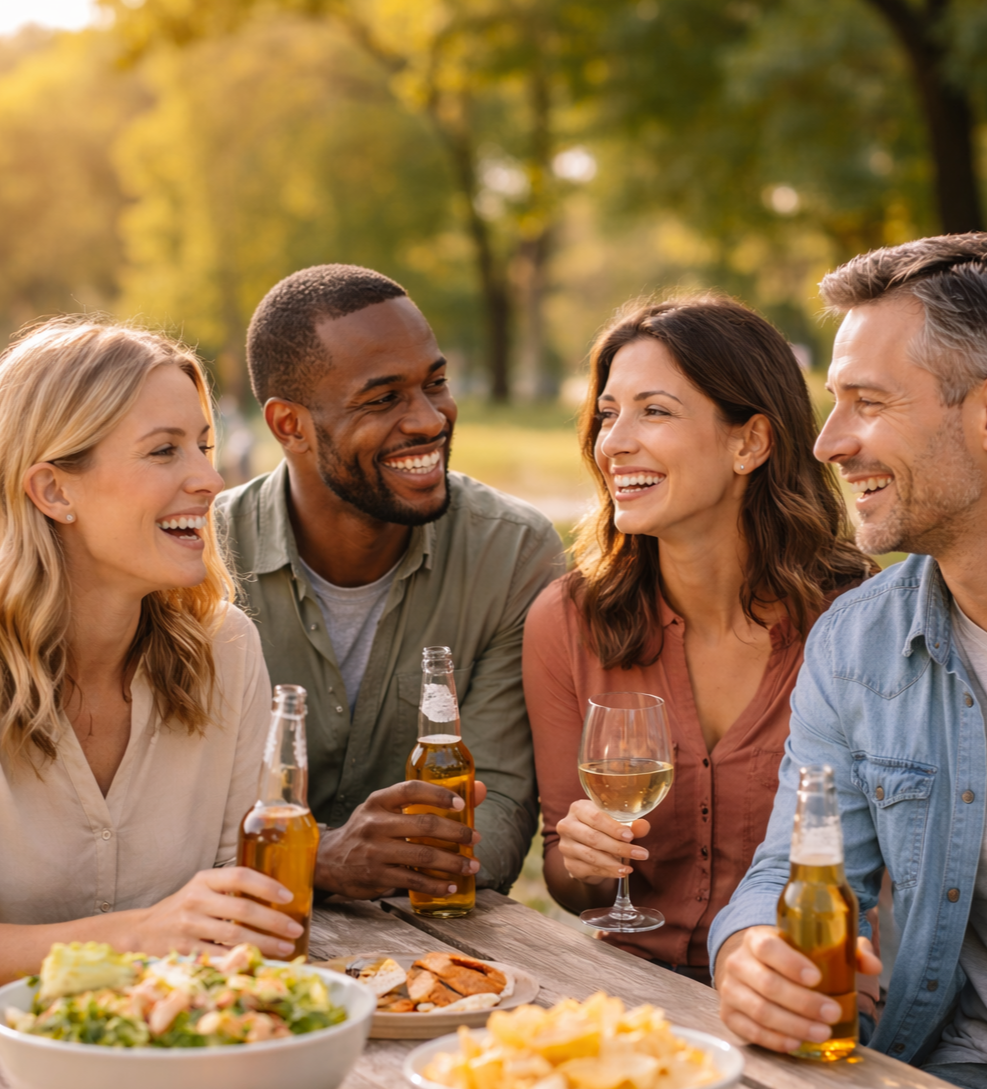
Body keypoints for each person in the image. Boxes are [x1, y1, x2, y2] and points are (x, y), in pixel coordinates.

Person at [710, 233, 987, 1088]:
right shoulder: (858, 643)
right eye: (832, 401)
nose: (827, 443)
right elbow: (791, 866)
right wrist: (751, 954)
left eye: (868, 403)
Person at [523, 295, 874, 984]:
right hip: (635, 994)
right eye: (607, 412)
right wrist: (587, 860)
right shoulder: (568, 621)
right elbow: (566, 876)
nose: (615, 441)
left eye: (654, 410)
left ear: (750, 442)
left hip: (801, 995)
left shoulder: (857, 620)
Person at [217, 264, 564, 903]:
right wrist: (320, 860)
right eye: (383, 399)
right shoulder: (202, 561)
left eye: (435, 384)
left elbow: (497, 813)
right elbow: (175, 831)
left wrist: (291, 853)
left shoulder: (512, 553)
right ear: (289, 425)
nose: (429, 420)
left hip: (437, 950)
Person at [0, 318, 301, 985]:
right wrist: (137, 934)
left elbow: (238, 898)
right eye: (164, 451)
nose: (209, 479)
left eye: (203, 444)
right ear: (53, 490)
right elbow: (167, 931)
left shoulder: (226, 648)